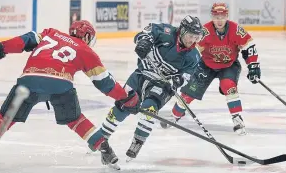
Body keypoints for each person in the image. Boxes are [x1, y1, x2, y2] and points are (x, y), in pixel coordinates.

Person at [0, 20, 140, 168]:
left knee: (5, 117)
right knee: (76, 121)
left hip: (29, 80)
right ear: (86, 37)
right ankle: (105, 148)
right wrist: (125, 98)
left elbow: (25, 40)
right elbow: (105, 83)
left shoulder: (51, 33)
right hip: (60, 84)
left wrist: (2, 47)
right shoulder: (86, 51)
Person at [86, 15, 204, 163]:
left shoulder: (193, 56)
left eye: (196, 37)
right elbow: (144, 34)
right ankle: (101, 138)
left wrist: (176, 81)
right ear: (182, 31)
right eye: (190, 36)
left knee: (149, 109)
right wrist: (143, 42)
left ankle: (138, 142)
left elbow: (187, 76)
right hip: (141, 75)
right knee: (122, 107)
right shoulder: (165, 31)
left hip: (162, 84)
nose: (192, 40)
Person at [162, 3, 261, 135]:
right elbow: (193, 52)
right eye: (216, 16)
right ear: (212, 16)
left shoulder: (235, 30)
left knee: (228, 86)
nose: (219, 20)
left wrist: (253, 66)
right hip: (206, 66)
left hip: (228, 65)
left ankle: (237, 118)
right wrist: (182, 68)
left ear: (227, 16)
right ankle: (174, 116)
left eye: (222, 16)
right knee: (189, 92)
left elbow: (249, 46)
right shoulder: (204, 32)